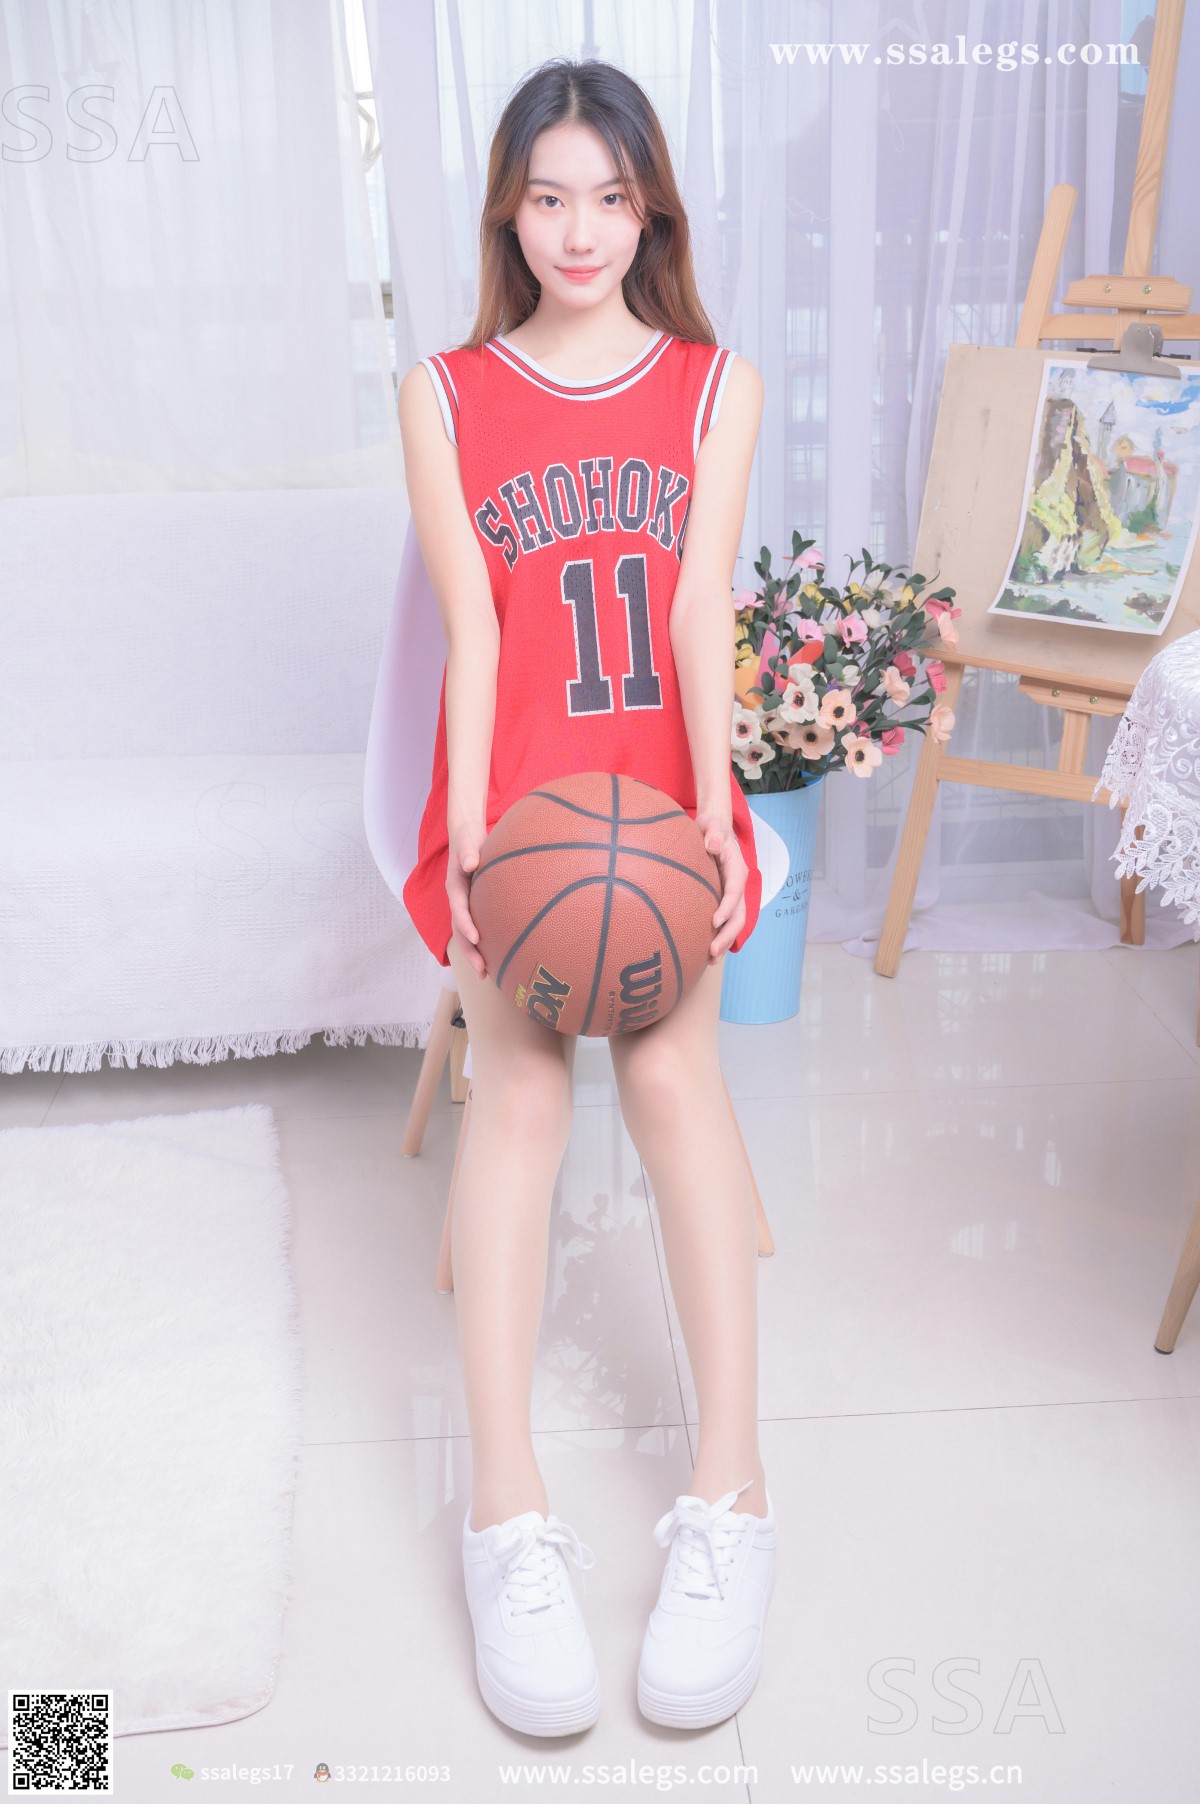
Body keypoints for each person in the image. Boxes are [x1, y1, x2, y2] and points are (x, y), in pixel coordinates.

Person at [395, 55, 775, 1738]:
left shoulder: (712, 385)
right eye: (547, 197)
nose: (577, 230)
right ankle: (506, 1516)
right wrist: (476, 836)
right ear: (507, 211)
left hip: (654, 810)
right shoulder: (444, 392)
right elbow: (473, 631)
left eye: (608, 198)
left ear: (650, 210)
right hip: (525, 820)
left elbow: (700, 612)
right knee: (524, 1099)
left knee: (679, 1085)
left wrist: (718, 810)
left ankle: (735, 1495)